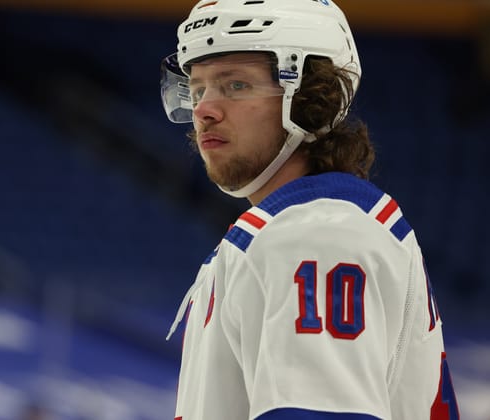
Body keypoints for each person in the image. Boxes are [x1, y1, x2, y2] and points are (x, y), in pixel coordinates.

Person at [159, 0, 460, 419]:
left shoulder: (315, 234)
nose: (204, 110)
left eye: (235, 85)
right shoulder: (302, 227)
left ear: (310, 98)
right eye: (196, 90)